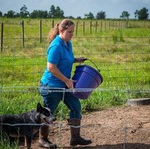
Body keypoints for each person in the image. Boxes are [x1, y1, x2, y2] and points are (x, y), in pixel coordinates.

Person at [39, 19, 92, 148]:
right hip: (51, 86)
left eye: (73, 32)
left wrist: (76, 59)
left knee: (75, 106)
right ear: (61, 31)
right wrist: (67, 80)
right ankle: (42, 140)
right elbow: (51, 67)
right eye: (69, 32)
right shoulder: (56, 46)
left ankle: (75, 137)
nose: (72, 34)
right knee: (48, 113)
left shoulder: (67, 43)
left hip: (65, 84)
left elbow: (65, 58)